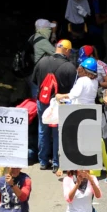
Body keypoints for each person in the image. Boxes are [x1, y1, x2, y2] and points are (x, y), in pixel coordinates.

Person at [32, 39, 76, 173]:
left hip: (43, 101)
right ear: (67, 50)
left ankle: (43, 161)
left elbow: (34, 80)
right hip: (59, 103)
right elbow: (73, 90)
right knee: (57, 133)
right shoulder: (70, 67)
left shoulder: (42, 61)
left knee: (42, 129)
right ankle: (57, 163)